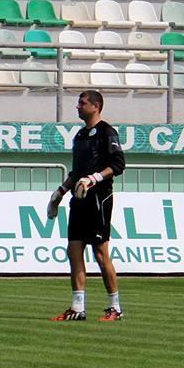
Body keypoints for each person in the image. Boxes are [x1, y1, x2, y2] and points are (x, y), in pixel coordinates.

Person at [47, 90, 126, 322]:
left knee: (100, 253)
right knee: (73, 250)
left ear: (96, 106)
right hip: (79, 199)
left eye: (82, 103)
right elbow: (76, 171)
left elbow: (118, 164)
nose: (78, 107)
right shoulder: (80, 135)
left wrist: (94, 178)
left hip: (98, 198)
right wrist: (60, 192)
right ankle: (77, 308)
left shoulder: (107, 132)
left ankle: (115, 307)